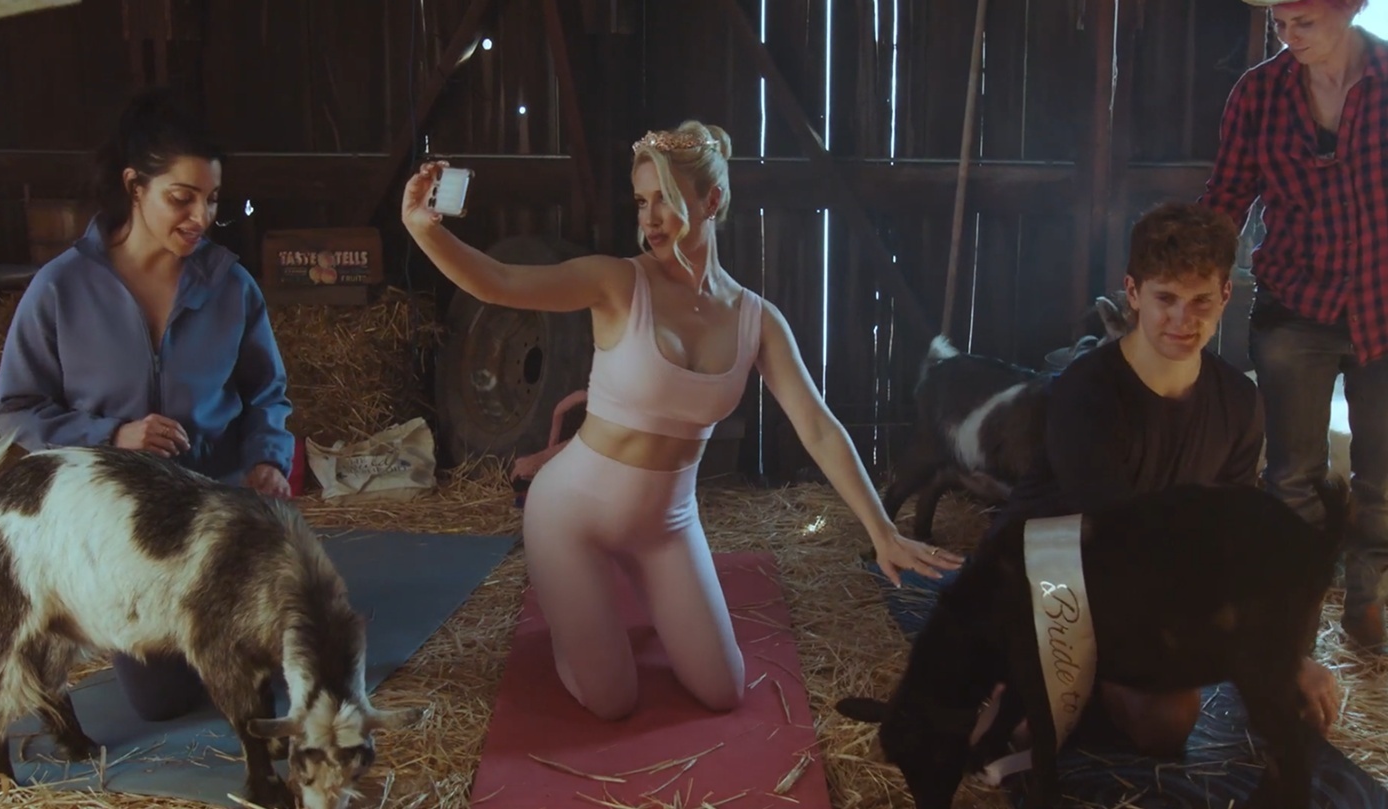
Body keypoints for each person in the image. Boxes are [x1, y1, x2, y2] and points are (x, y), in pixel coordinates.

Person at [401, 121, 964, 720]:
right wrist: (423, 228)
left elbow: (818, 427)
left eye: (665, 200)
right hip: (571, 516)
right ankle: (577, 630)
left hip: (666, 526)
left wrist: (882, 532)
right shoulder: (618, 282)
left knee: (723, 690)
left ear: (711, 201)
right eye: (641, 201)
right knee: (612, 701)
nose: (650, 219)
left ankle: (619, 606)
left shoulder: (757, 320)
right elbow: (500, 282)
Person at [0, 88, 295, 722]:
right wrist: (113, 436)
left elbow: (267, 392)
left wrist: (268, 459)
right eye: (181, 198)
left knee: (268, 677)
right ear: (134, 186)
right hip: (124, 531)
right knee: (164, 703)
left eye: (212, 199)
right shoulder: (60, 288)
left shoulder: (231, 286)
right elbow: (13, 408)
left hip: (218, 517)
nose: (201, 216)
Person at [993, 202, 1339, 759]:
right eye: (1166, 299)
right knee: (1028, 728)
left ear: (1225, 295)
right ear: (1133, 293)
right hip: (1056, 574)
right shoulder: (1086, 392)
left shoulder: (1239, 401)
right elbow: (1119, 542)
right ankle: (1030, 680)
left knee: (1169, 724)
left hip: (1146, 589)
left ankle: (1087, 687)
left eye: (1201, 300)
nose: (1183, 319)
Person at [1200, 0, 1388, 655]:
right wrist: (1190, 266)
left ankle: (1368, 607)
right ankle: (1294, 623)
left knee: (1381, 477)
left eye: (1303, 20)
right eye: (1279, 23)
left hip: (1384, 303)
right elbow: (1227, 196)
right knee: (1290, 479)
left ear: (1351, 7)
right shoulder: (1258, 93)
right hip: (1294, 304)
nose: (1288, 35)